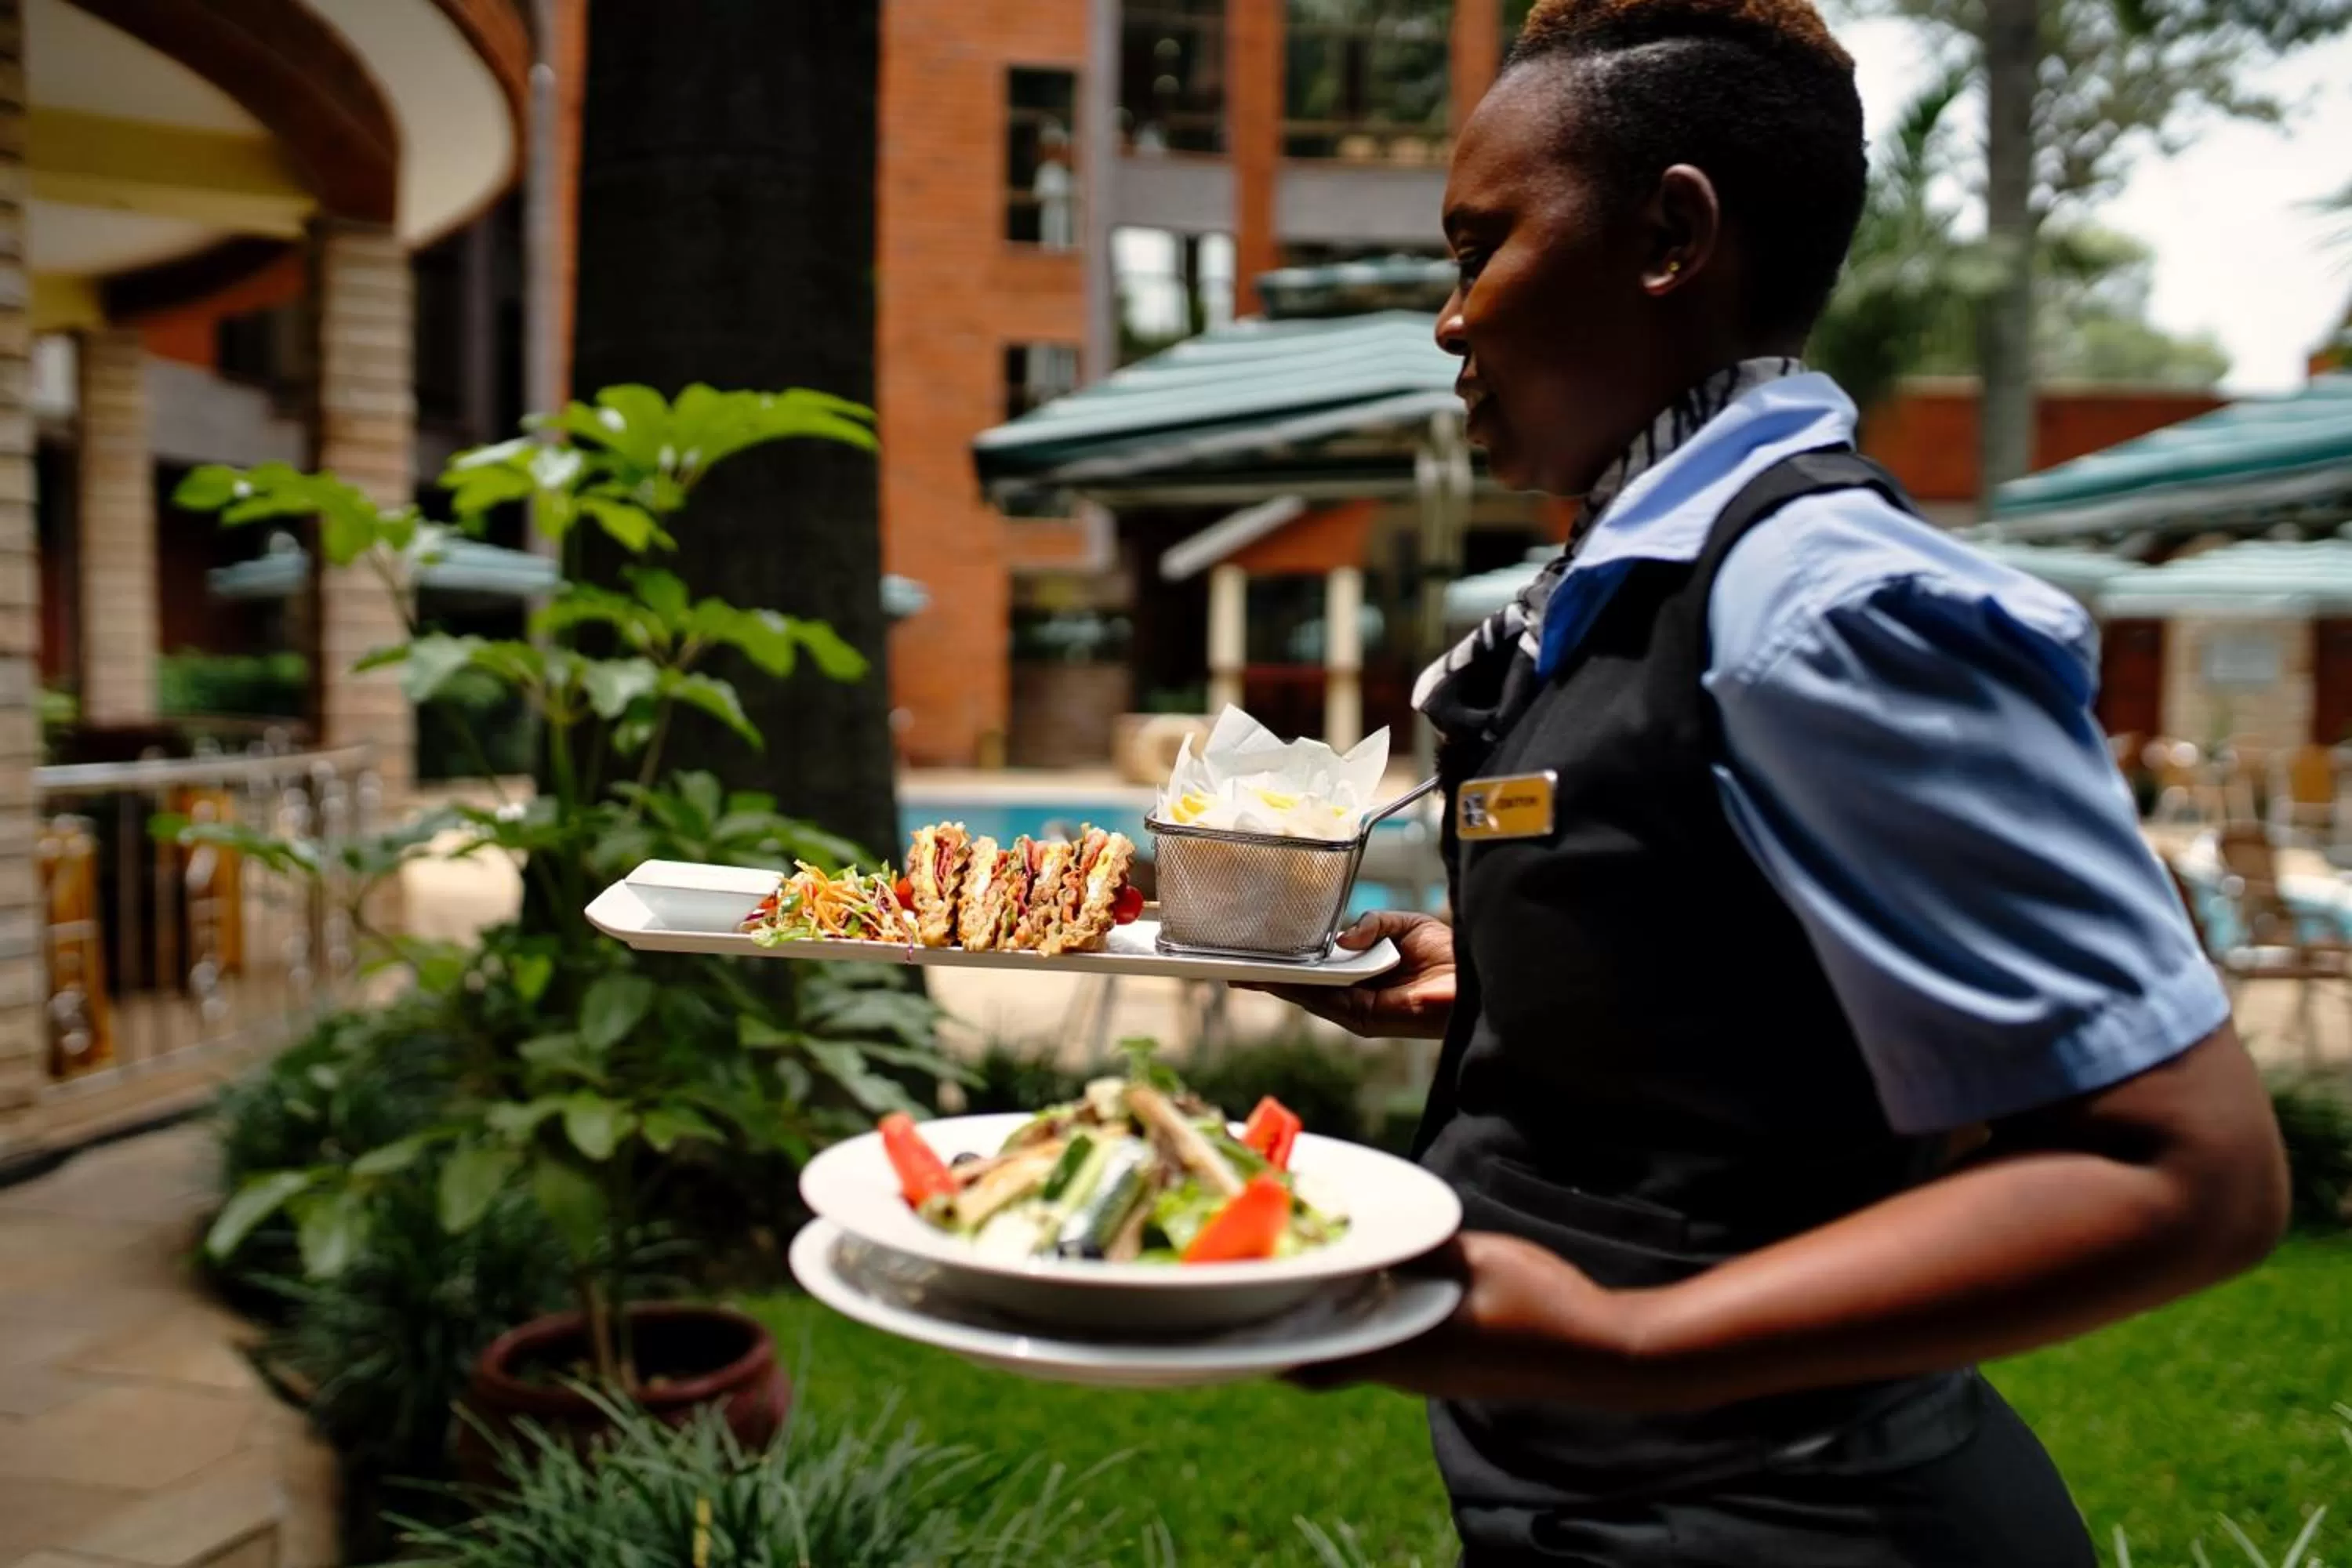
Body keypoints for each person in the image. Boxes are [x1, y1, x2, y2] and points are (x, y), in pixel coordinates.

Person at [1256, 0, 2291, 1562]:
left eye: (1481, 251)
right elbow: (1762, 966)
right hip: (1609, 1506)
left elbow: (2188, 1168)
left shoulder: (1821, 602)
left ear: (1671, 233)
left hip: (1799, 1516)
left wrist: (1626, 1345)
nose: (1454, 320)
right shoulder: (1637, 582)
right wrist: (1530, 966)